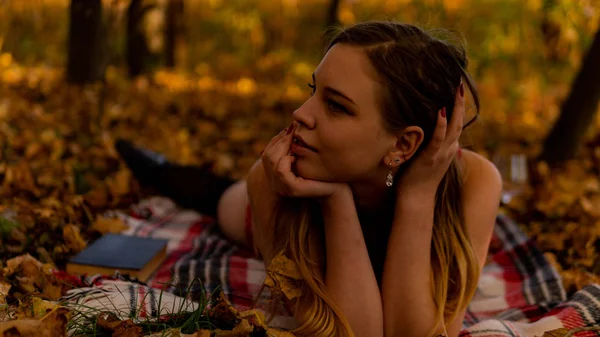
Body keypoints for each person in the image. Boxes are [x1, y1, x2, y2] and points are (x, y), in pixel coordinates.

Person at [116, 21, 502, 337]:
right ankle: (156, 167)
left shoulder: (475, 182)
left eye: (336, 105)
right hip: (257, 209)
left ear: (403, 143)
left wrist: (418, 194)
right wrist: (336, 203)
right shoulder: (275, 182)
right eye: (313, 91)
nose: (300, 113)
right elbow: (356, 332)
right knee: (219, 196)